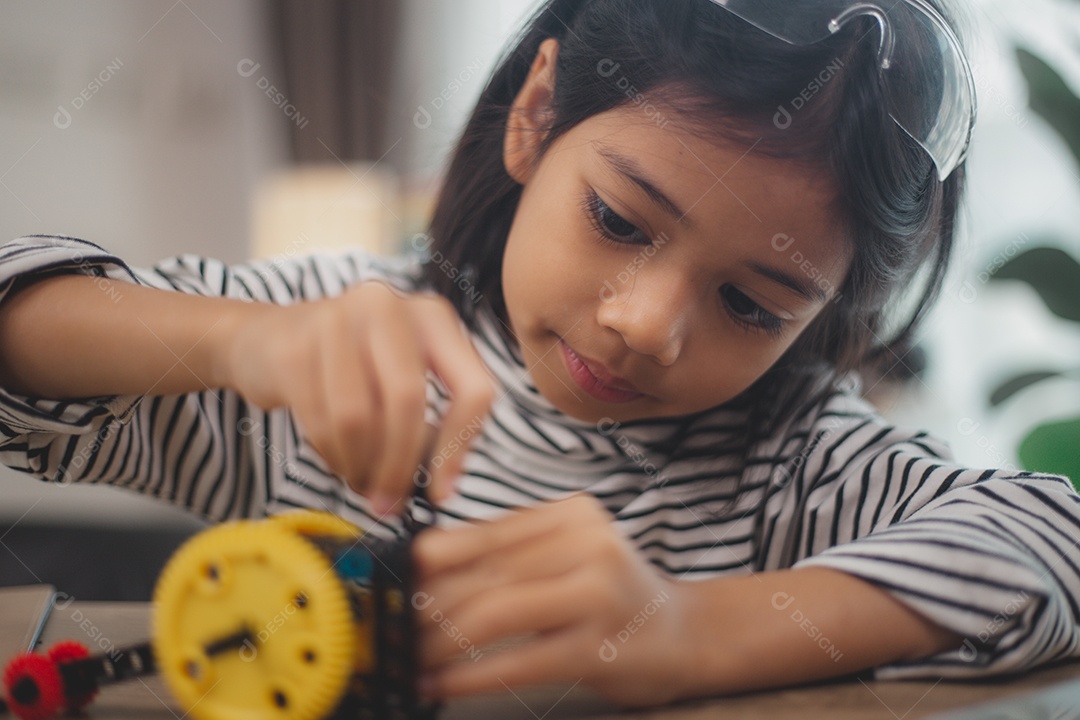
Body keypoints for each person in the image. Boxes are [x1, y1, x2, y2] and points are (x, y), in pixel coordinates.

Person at [0, 0, 1077, 708]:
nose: (647, 324)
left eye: (753, 303)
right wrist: (239, 340)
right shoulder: (339, 339)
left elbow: (1055, 537)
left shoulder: (797, 469)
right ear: (535, 115)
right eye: (619, 219)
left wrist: (696, 632)